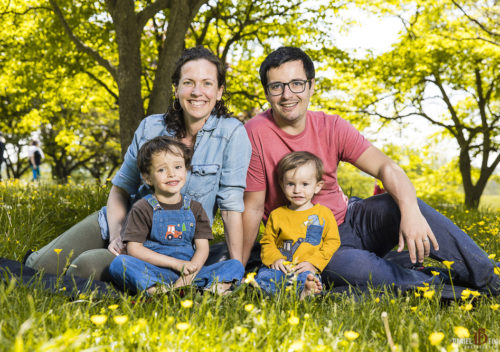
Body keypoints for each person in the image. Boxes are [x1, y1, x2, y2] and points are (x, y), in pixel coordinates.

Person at [242, 46, 499, 294]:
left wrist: (410, 212)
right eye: (276, 86)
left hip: (353, 219)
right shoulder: (254, 133)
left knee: (401, 204)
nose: (287, 95)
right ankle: (443, 286)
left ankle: (490, 278)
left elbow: (386, 167)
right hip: (315, 246)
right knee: (353, 271)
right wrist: (237, 268)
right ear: (267, 93)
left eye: (296, 83)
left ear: (311, 86)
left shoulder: (331, 126)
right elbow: (253, 207)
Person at [25, 46, 252, 281]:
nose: (197, 92)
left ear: (219, 90)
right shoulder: (151, 127)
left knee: (83, 269)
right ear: (176, 89)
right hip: (119, 223)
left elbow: (230, 209)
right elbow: (121, 189)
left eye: (207, 83)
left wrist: (236, 272)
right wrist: (117, 234)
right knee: (38, 269)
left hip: (165, 245)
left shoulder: (232, 133)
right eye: (188, 82)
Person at [109, 136, 244, 294]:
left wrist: (187, 276)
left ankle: (208, 291)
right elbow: (134, 249)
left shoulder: (195, 208)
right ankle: (159, 291)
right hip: (154, 270)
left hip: (190, 272)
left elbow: (202, 249)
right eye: (161, 170)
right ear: (147, 178)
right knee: (120, 263)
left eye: (178, 167)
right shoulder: (142, 208)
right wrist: (176, 264)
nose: (172, 174)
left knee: (235, 265)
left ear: (186, 170)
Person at [253, 151, 340, 299]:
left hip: (305, 268)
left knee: (307, 278)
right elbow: (267, 242)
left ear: (318, 187)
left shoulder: (323, 214)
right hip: (280, 267)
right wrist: (275, 259)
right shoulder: (277, 215)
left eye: (305, 184)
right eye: (291, 184)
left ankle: (305, 292)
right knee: (265, 275)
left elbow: (332, 241)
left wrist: (314, 263)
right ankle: (266, 292)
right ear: (282, 185)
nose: (297, 190)